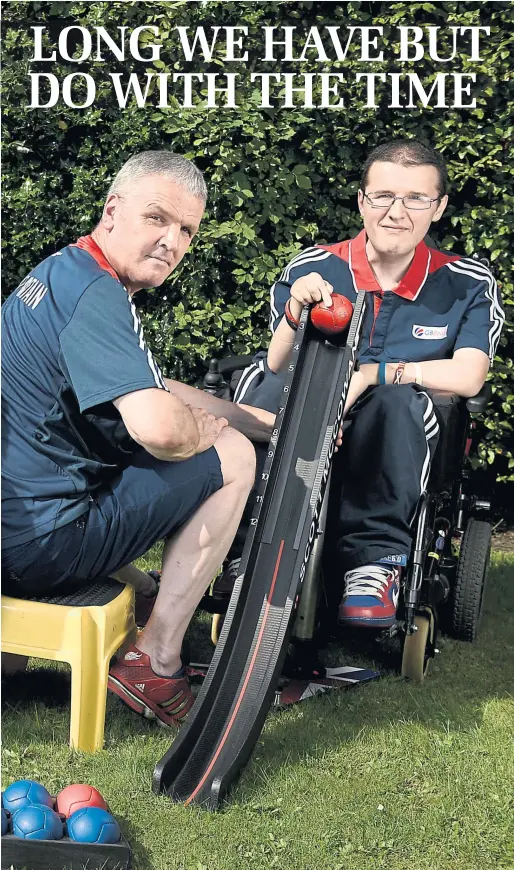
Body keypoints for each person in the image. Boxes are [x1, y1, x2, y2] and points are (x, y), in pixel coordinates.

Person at [1, 151, 275, 726]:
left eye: (186, 231)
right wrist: (212, 432)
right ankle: (156, 660)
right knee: (232, 456)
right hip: (42, 548)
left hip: (15, 532)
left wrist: (253, 417)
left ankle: (149, 595)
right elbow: (158, 425)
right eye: (157, 218)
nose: (171, 241)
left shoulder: (63, 273)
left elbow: (151, 384)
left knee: (227, 437)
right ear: (112, 210)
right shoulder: (97, 296)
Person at [229, 140, 504, 628]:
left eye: (416, 198)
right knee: (267, 386)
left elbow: (469, 374)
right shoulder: (312, 266)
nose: (396, 212)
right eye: (383, 196)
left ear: (438, 207)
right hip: (309, 406)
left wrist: (374, 375)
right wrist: (297, 309)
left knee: (398, 402)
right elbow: (276, 362)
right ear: (362, 201)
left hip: (392, 425)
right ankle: (247, 551)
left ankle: (374, 566)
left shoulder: (467, 281)